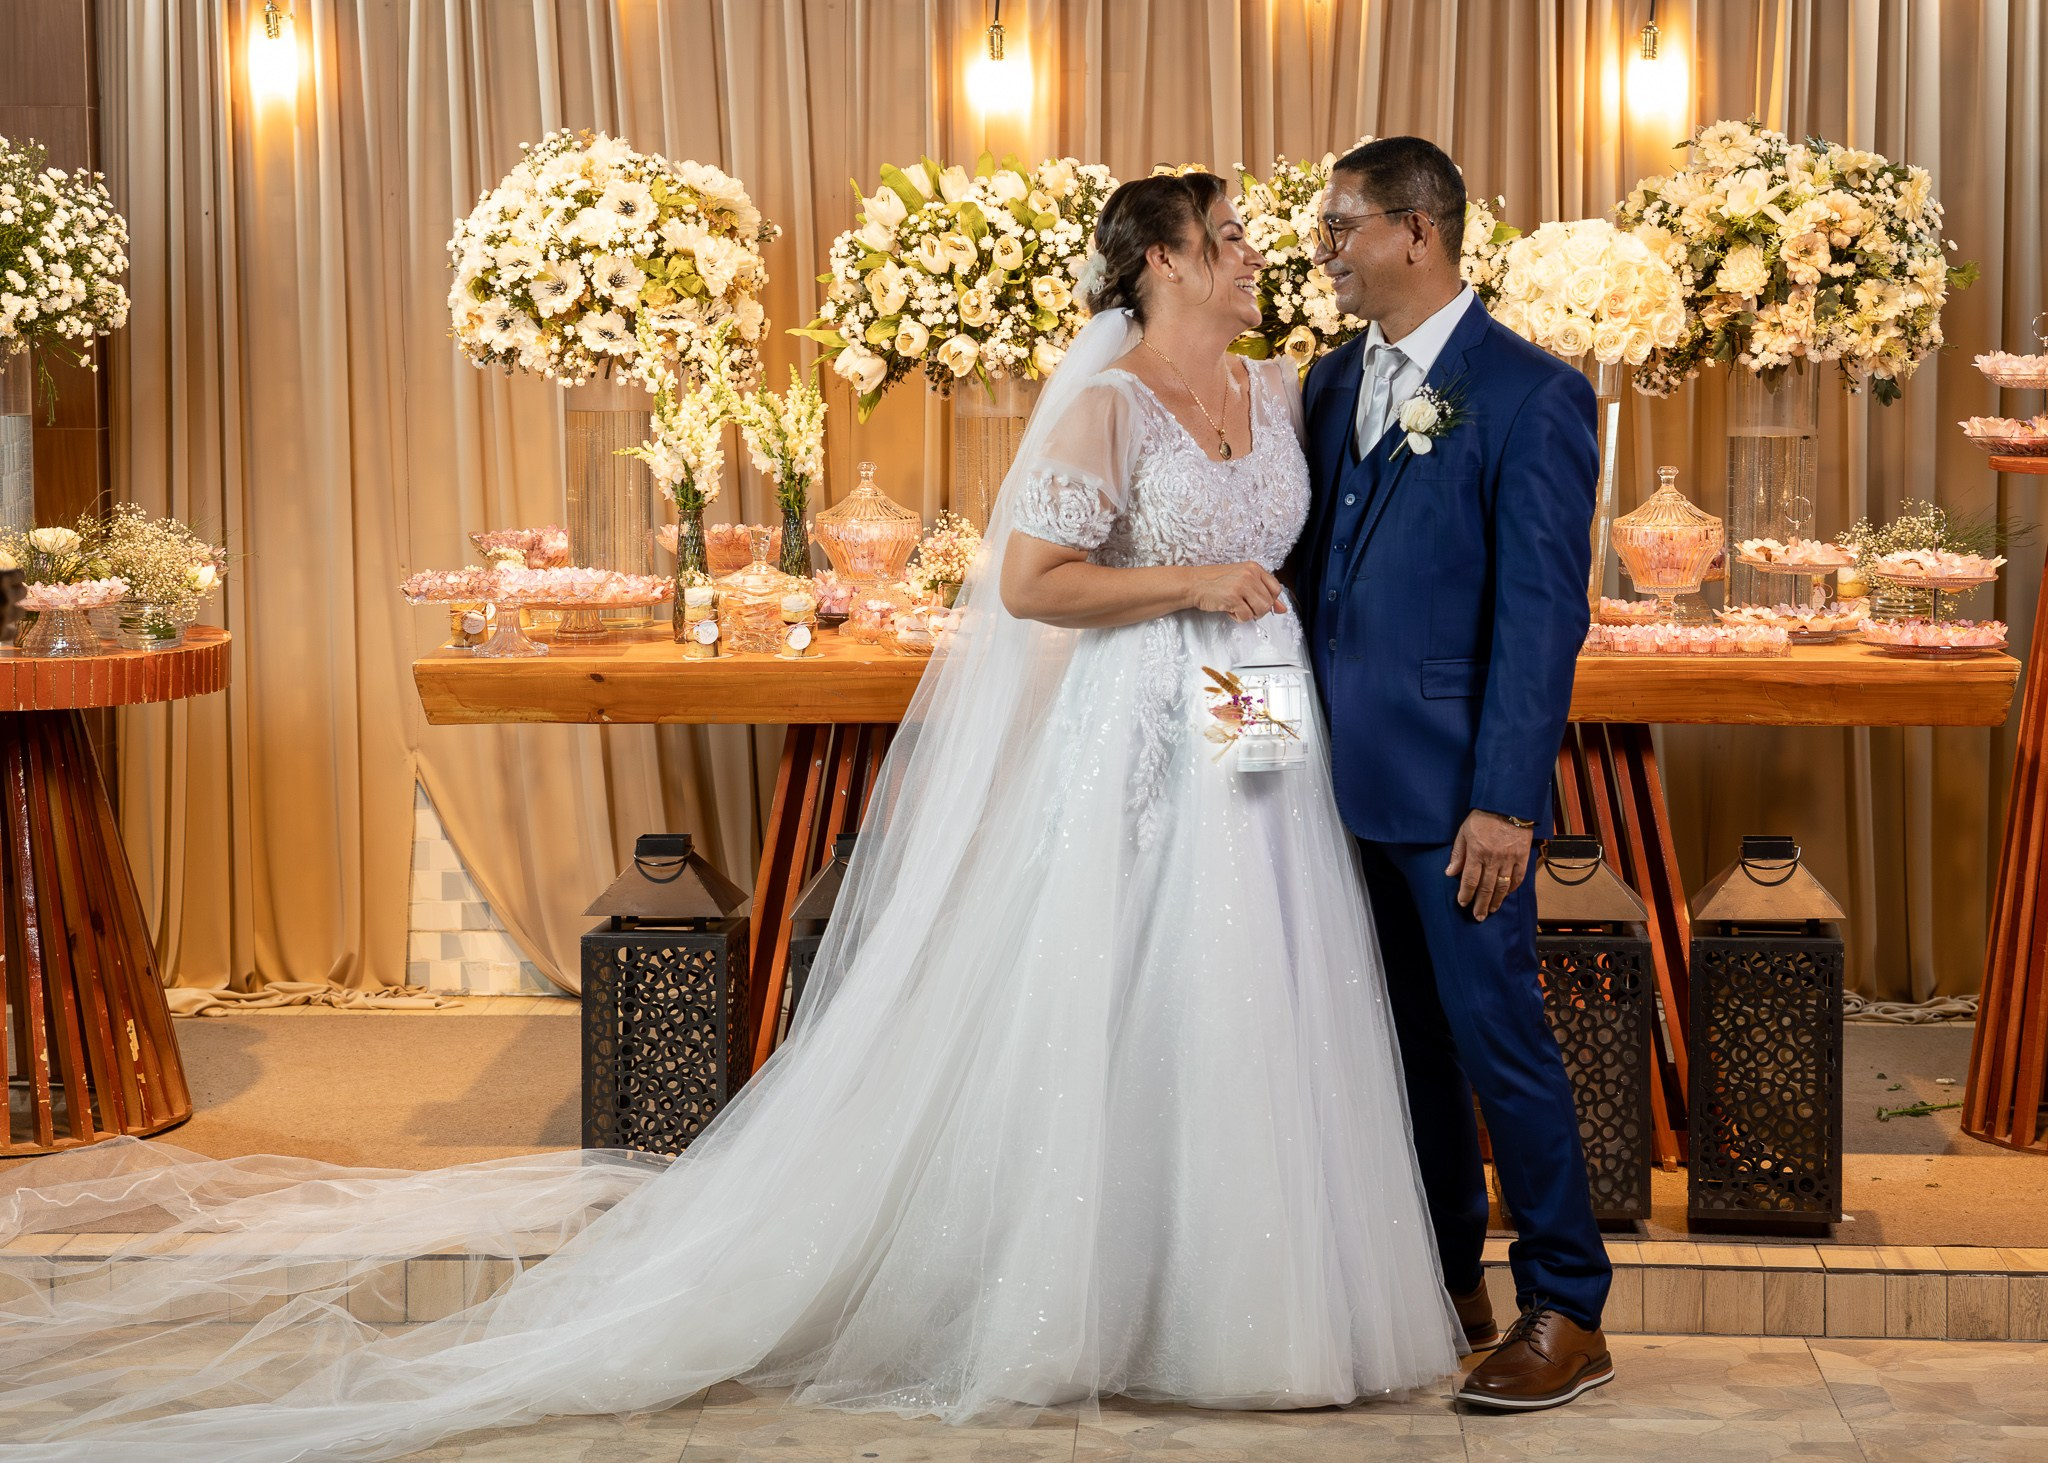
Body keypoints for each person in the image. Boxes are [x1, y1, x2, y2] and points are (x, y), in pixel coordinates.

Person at [0, 173, 1460, 1462]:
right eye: (1225, 238)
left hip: (1266, 730)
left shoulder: (1282, 394)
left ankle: (1263, 1302)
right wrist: (1185, 586)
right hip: (1140, 726)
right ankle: (1108, 1301)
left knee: (1260, 993)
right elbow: (1030, 586)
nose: (1254, 256)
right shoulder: (1100, 402)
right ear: (1156, 260)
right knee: (1120, 996)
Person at [1294, 135, 1614, 1411]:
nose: (1327, 250)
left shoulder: (1533, 394)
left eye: (1341, 228)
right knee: (1398, 1051)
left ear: (1416, 232)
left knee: (1500, 1043)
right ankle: (1442, 1278)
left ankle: (1566, 1306)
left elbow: (1542, 622)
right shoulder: (1327, 385)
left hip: (1456, 802)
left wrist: (1503, 802)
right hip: (1329, 790)